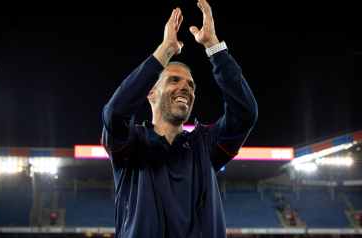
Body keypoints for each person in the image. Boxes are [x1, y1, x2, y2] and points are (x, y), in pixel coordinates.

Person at [101, 0, 258, 237]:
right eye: (173, 80)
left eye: (191, 85)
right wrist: (165, 49)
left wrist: (213, 47)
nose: (185, 87)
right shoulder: (130, 144)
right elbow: (115, 112)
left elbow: (245, 112)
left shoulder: (206, 145)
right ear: (151, 93)